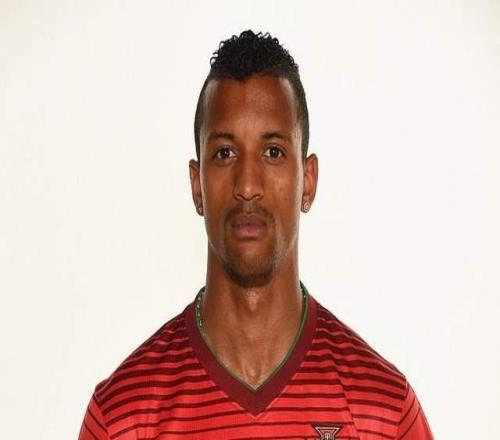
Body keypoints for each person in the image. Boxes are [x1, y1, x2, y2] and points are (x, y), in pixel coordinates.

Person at [79, 30, 433, 440]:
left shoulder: (383, 411)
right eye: (225, 153)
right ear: (197, 185)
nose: (247, 185)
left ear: (308, 181)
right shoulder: (123, 416)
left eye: (273, 152)